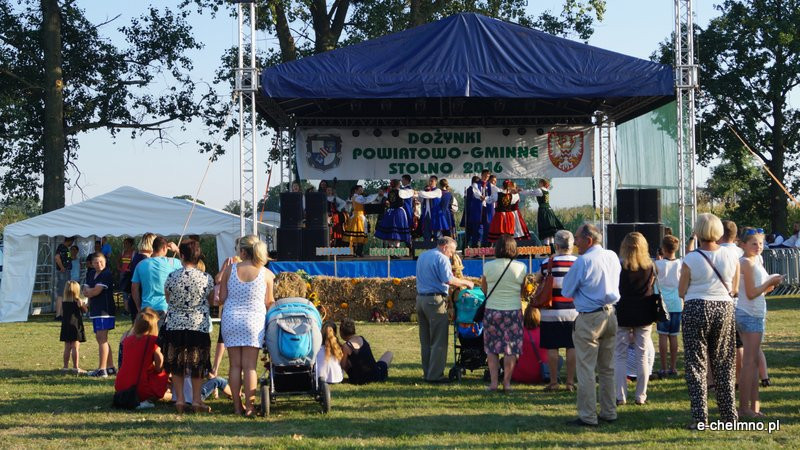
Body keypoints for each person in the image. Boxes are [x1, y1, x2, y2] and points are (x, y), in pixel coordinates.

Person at [678, 213, 740, 427]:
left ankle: (699, 417)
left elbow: (681, 291)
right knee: (724, 362)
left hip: (696, 306)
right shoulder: (732, 256)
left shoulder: (691, 258)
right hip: (724, 307)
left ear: (698, 231)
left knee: (696, 364)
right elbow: (735, 288)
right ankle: (729, 415)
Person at [561, 223, 621, 427]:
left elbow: (567, 291)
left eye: (577, 238)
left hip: (589, 318)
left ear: (588, 240)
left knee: (586, 369)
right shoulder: (612, 256)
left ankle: (588, 415)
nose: (575, 242)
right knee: (607, 368)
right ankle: (609, 411)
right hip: (610, 314)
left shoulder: (583, 261)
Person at [218, 235, 275, 416]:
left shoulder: (230, 270)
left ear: (243, 251)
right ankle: (250, 407)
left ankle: (237, 407)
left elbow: (222, 298)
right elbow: (269, 302)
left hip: (231, 319)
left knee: (235, 366)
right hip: (253, 321)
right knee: (250, 366)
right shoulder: (265, 273)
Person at [163, 240, 215, 414]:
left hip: (175, 324)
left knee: (176, 362)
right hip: (197, 325)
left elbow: (168, 299)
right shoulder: (206, 278)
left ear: (182, 255)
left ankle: (179, 400)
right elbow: (211, 300)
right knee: (197, 363)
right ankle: (196, 400)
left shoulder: (172, 276)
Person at [736, 227, 782, 418]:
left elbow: (761, 291)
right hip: (748, 314)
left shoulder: (757, 260)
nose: (758, 247)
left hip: (755, 313)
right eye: (754, 243)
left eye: (761, 243)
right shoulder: (745, 262)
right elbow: (751, 292)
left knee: (753, 362)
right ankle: (744, 408)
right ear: (743, 244)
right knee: (749, 363)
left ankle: (754, 406)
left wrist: (772, 283)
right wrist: (767, 284)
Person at [415, 236, 474, 382]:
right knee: (439, 340)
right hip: (435, 301)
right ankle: (435, 376)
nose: (452, 254)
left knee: (426, 341)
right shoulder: (442, 258)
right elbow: (449, 279)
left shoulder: (423, 256)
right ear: (444, 247)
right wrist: (467, 283)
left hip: (421, 299)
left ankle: (427, 372)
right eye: (452, 251)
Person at [614, 232, 655, 406]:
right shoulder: (651, 266)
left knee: (619, 354)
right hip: (644, 312)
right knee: (642, 354)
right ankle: (641, 395)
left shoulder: (619, 266)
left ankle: (620, 395)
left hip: (623, 312)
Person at [480, 235, 527, 392]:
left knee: (492, 349)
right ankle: (507, 384)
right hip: (513, 311)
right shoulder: (521, 267)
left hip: (492, 311)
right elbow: (522, 292)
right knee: (510, 349)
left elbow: (484, 290)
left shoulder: (488, 266)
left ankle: (493, 383)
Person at [536, 230, 578, 391]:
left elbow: (537, 279)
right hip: (573, 312)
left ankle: (553, 382)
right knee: (571, 346)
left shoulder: (548, 263)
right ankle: (569, 382)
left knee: (552, 347)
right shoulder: (577, 263)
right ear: (572, 245)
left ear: (556, 245)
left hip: (551, 312)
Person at [114, 309, 169, 409]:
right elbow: (159, 367)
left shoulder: (127, 340)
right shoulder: (153, 341)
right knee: (163, 374)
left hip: (121, 385)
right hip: (138, 388)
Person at [82, 252, 117, 378]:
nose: (99, 264)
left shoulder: (106, 274)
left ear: (105, 262)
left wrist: (91, 291)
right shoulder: (91, 273)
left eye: (101, 261)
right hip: (95, 311)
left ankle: (102, 370)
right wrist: (91, 292)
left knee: (101, 339)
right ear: (91, 263)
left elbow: (96, 291)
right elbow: (85, 291)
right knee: (101, 339)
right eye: (96, 262)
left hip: (105, 311)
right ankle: (111, 367)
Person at [131, 236, 182, 321]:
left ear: (153, 248)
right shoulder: (173, 262)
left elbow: (134, 289)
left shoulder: (141, 264)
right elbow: (190, 264)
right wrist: (177, 250)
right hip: (166, 308)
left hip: (147, 308)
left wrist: (139, 308)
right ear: (165, 248)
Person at [654, 235, 683, 378]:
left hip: (663, 305)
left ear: (663, 249)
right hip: (677, 304)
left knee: (662, 336)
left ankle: (664, 367)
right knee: (674, 336)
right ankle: (673, 367)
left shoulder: (658, 265)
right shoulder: (681, 264)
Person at [340, 318, 392, 384]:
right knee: (389, 354)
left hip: (360, 379)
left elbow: (343, 365)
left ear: (341, 332)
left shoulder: (346, 347)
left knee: (346, 358)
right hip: (376, 376)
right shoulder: (362, 339)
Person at [511, 306, 549, 384]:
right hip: (543, 373)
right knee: (559, 359)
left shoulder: (519, 332)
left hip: (521, 374)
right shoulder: (545, 331)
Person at [125, 233, 155, 323]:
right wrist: (139, 307)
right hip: (141, 299)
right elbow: (136, 285)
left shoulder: (137, 257)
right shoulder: (144, 260)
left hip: (137, 299)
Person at [374, 179, 413, 248]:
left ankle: (391, 250)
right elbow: (409, 194)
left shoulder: (389, 192)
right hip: (398, 212)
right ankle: (396, 251)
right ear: (398, 184)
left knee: (390, 231)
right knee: (397, 232)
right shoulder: (400, 192)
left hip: (390, 212)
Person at [60, 280, 87, 374]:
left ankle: (65, 367)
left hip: (66, 325)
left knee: (67, 347)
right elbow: (85, 310)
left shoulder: (64, 301)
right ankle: (76, 367)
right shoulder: (77, 300)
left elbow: (62, 313)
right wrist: (82, 304)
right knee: (75, 347)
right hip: (75, 325)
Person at [343, 185, 377, 257]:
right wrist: (376, 195)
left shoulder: (353, 197)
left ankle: (356, 252)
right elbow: (367, 200)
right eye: (360, 189)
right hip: (359, 217)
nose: (362, 190)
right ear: (356, 190)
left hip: (355, 216)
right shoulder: (359, 197)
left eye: (362, 189)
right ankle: (358, 252)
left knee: (356, 235)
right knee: (360, 234)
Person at [531, 179, 565, 246]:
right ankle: (551, 250)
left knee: (546, 231)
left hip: (544, 211)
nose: (538, 184)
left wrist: (521, 191)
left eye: (539, 182)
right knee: (550, 232)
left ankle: (547, 250)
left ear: (541, 183)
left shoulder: (540, 190)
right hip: (549, 210)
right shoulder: (546, 191)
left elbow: (531, 192)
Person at [54, 236, 75, 320]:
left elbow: (69, 258)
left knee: (64, 293)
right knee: (61, 293)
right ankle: (58, 314)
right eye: (72, 242)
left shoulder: (67, 249)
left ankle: (62, 314)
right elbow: (57, 257)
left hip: (67, 272)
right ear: (70, 241)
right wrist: (62, 267)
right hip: (63, 272)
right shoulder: (61, 247)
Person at [418, 175, 443, 242]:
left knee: (437, 233)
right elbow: (420, 199)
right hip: (426, 214)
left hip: (435, 215)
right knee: (426, 233)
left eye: (432, 181)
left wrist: (420, 192)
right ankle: (427, 248)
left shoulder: (438, 191)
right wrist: (420, 194)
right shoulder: (426, 191)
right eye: (429, 181)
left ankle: (439, 249)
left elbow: (429, 195)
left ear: (436, 182)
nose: (430, 182)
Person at [462, 176, 484, 248]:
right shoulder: (474, 189)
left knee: (469, 233)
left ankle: (465, 248)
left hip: (469, 214)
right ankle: (474, 248)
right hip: (475, 214)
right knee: (476, 232)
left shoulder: (469, 189)